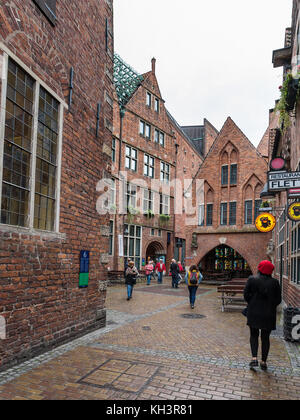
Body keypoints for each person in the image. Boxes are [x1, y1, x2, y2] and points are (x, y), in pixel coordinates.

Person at [243, 260, 281, 371]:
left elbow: (246, 295)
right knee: (265, 338)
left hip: (254, 312)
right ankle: (263, 361)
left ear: (260, 268)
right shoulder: (275, 282)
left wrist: (253, 302)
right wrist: (269, 306)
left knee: (253, 335)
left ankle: (254, 358)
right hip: (268, 315)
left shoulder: (252, 279)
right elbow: (278, 299)